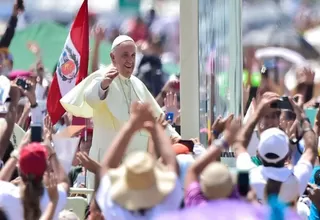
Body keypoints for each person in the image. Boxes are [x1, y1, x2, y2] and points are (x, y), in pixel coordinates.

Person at [60, 35, 180, 189]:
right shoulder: (102, 76)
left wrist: (175, 137)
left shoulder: (138, 84)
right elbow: (91, 98)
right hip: (107, 163)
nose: (130, 60)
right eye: (124, 55)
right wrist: (103, 85)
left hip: (136, 164)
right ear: (112, 57)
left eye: (133, 56)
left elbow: (157, 117)